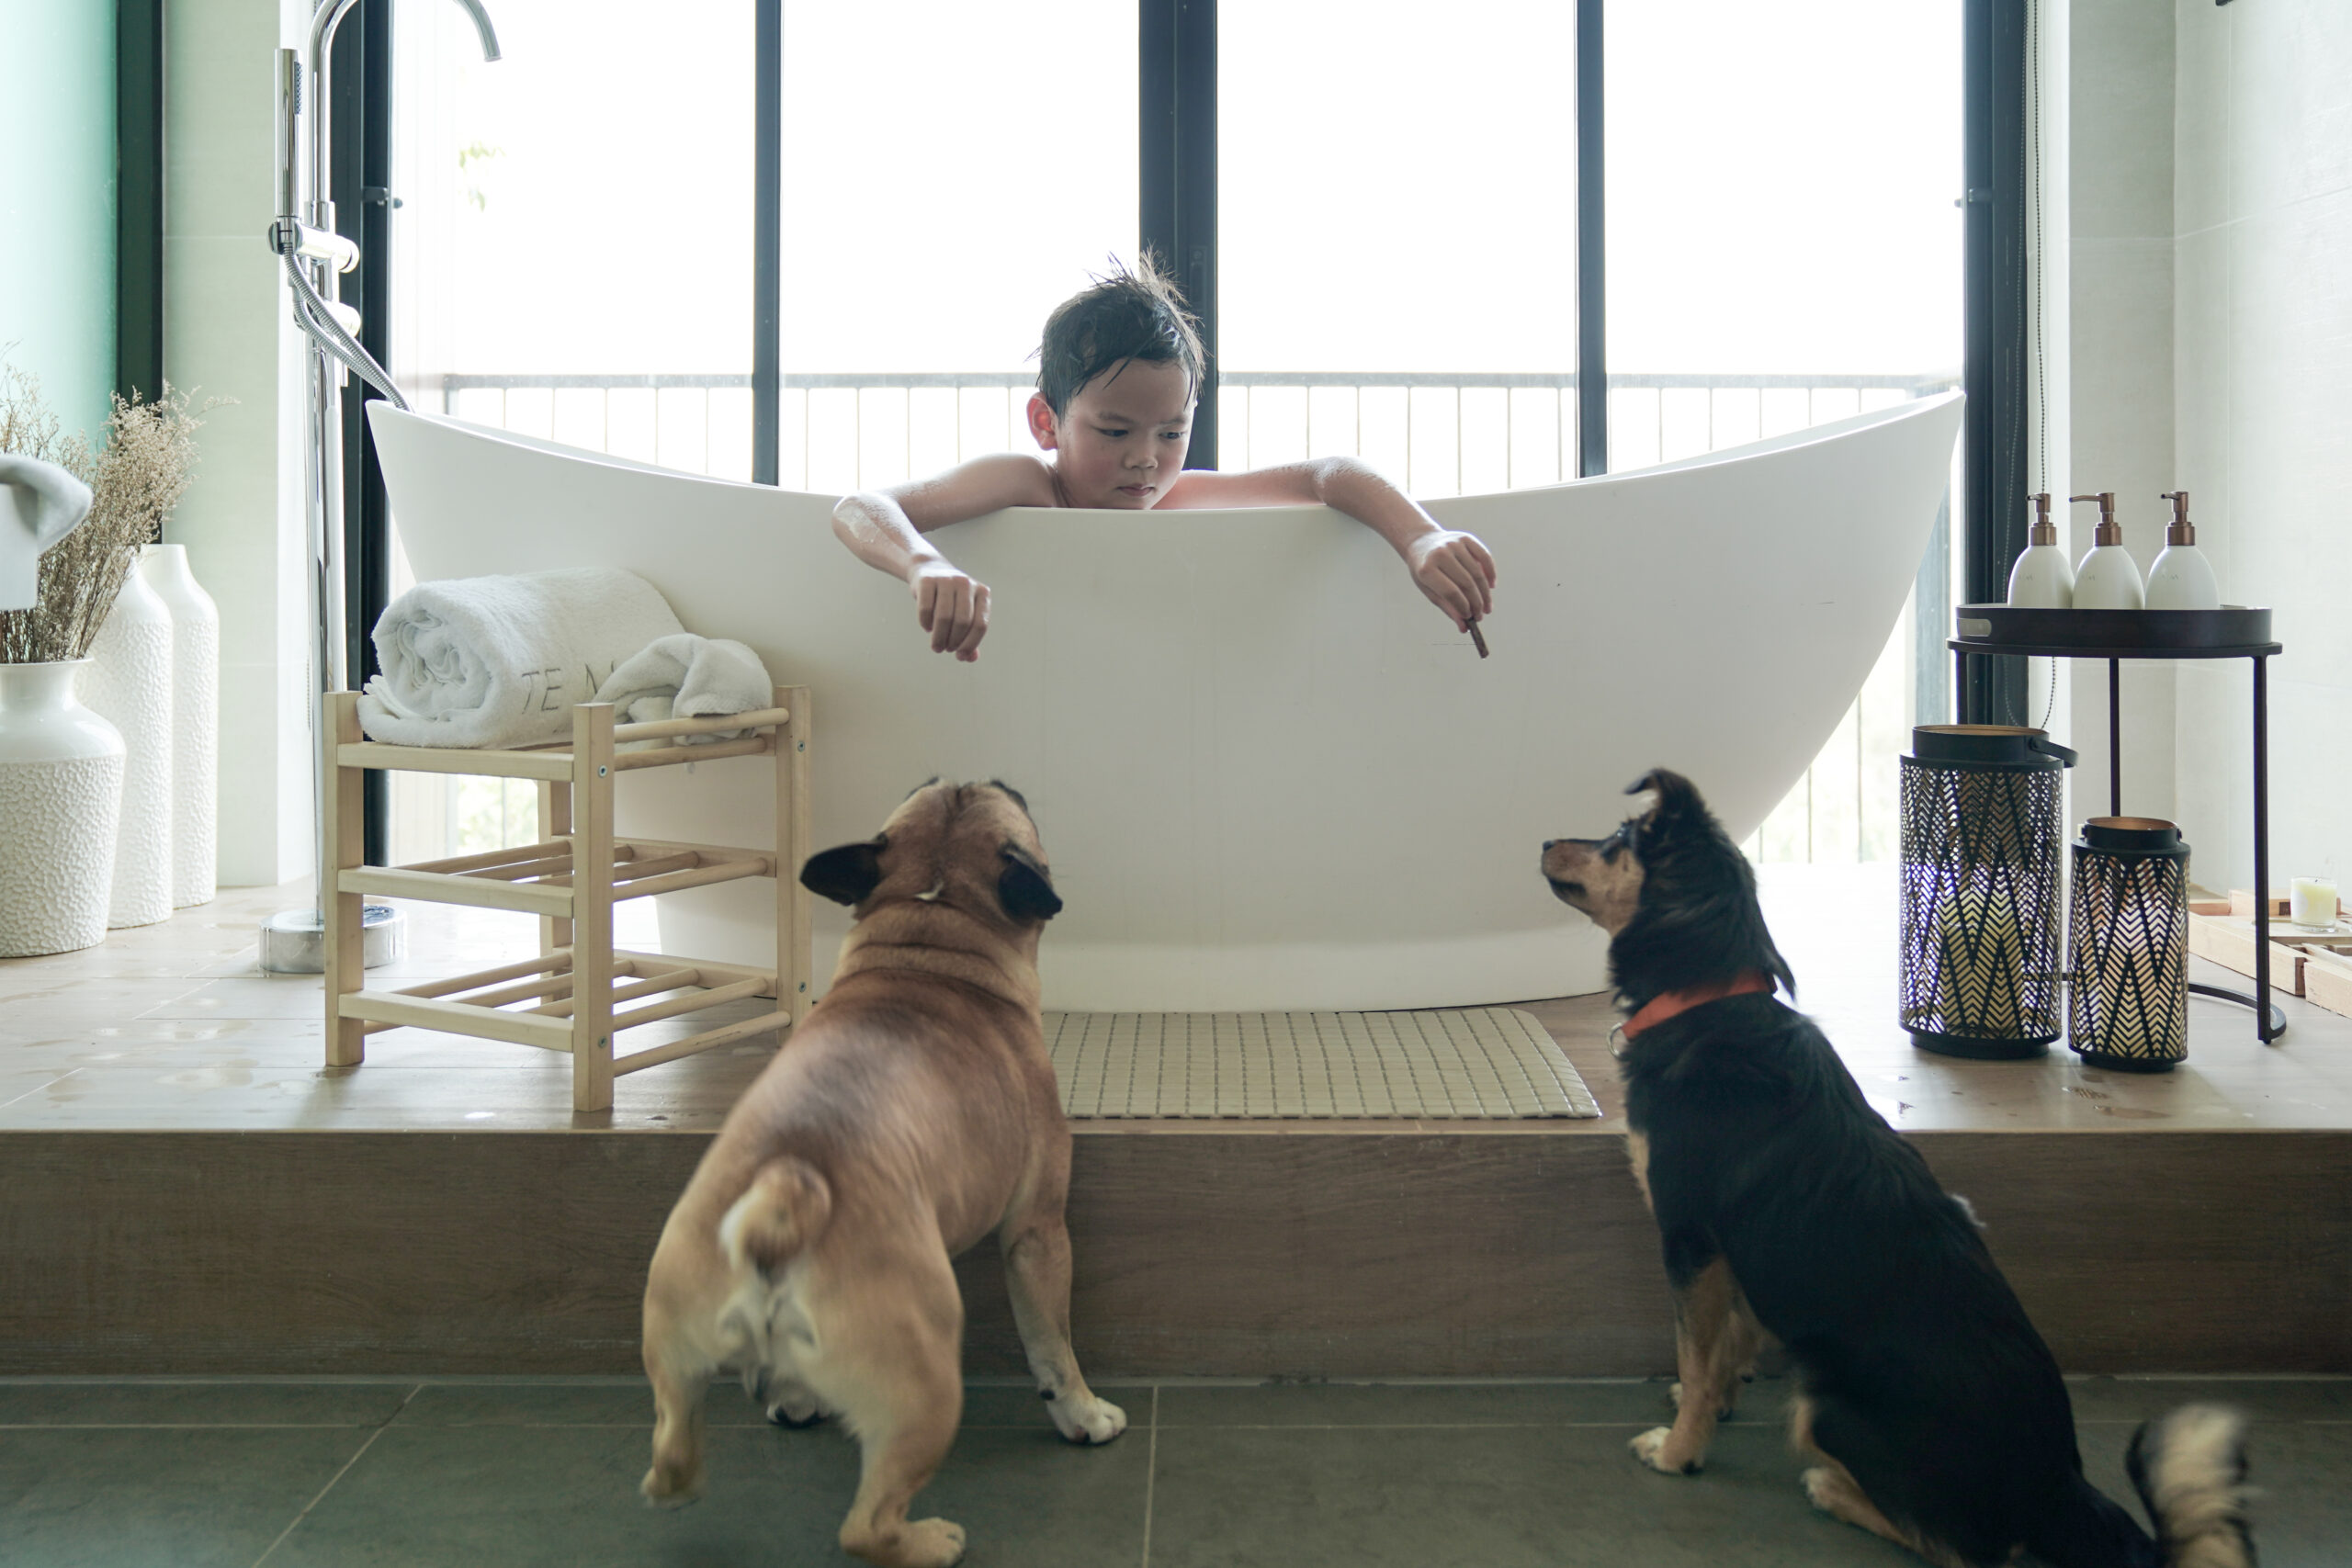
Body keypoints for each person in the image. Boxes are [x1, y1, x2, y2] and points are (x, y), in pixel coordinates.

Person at [830, 256, 1498, 661]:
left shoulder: (1178, 499)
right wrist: (925, 564)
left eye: (1171, 433)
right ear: (1046, 422)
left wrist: (1420, 536)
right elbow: (860, 507)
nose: (1146, 461)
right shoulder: (1033, 485)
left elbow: (1329, 474)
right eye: (1115, 432)